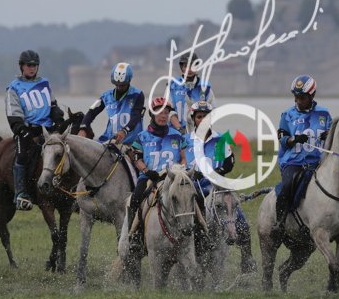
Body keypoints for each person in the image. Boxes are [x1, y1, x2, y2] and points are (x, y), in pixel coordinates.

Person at [185, 100, 257, 273]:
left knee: (240, 220)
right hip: (194, 189)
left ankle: (247, 259)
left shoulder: (221, 139)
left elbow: (229, 162)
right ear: (193, 119)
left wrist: (217, 171)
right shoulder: (185, 141)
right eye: (199, 117)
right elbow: (179, 164)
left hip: (216, 187)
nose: (203, 120)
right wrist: (191, 173)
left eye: (206, 117)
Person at [272, 74, 331, 237]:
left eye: (302, 97)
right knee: (286, 186)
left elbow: (332, 136)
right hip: (294, 162)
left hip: (319, 163)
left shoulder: (324, 114)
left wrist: (328, 135)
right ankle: (279, 223)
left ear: (312, 95)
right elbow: (282, 138)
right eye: (295, 96)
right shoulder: (287, 115)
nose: (297, 100)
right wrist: (293, 139)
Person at [5, 49, 64, 211]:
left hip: (47, 130)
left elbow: (53, 106)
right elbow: (13, 113)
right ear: (21, 66)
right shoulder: (13, 87)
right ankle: (21, 194)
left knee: (64, 151)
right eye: (28, 65)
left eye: (34, 65)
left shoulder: (45, 83)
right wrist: (21, 129)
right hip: (26, 131)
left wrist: (58, 118)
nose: (32, 68)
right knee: (22, 156)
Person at [126, 96, 187, 250]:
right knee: (135, 199)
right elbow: (137, 159)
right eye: (159, 112)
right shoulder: (142, 137)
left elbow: (184, 158)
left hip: (173, 178)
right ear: (152, 114)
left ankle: (201, 231)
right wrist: (147, 171)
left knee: (195, 196)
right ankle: (134, 235)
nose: (163, 116)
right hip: (149, 178)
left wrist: (182, 171)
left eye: (166, 112)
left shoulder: (177, 135)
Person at [78, 62, 145, 147]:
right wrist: (83, 128)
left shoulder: (137, 95)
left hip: (131, 142)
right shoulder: (106, 96)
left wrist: (124, 131)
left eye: (122, 85)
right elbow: (92, 112)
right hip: (109, 140)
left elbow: (136, 116)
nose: (119, 87)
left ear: (129, 81)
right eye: (117, 84)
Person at [169, 52, 215, 133]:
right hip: (178, 133)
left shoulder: (205, 88)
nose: (189, 69)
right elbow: (168, 111)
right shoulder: (173, 87)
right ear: (182, 68)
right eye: (186, 66)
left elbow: (212, 111)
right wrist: (180, 129)